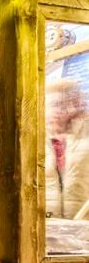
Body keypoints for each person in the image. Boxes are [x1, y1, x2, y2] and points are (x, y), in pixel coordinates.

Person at [45, 79, 89, 219]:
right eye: (51, 105)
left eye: (61, 105)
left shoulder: (85, 137)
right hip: (47, 225)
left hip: (83, 224)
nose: (56, 111)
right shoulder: (35, 141)